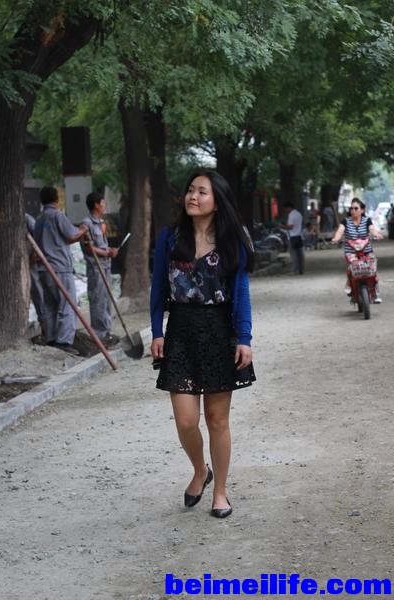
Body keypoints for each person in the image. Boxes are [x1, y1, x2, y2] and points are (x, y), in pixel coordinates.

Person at [150, 170, 256, 519]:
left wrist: (244, 338)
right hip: (180, 331)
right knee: (185, 420)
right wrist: (157, 332)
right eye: (190, 190)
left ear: (217, 201)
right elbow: (158, 289)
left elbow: (241, 291)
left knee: (216, 419)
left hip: (219, 331)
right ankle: (200, 470)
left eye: (202, 192)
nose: (193, 196)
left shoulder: (232, 240)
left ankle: (220, 492)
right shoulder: (170, 238)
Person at [34, 186, 88, 354]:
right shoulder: (58, 216)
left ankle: (51, 338)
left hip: (44, 269)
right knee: (68, 305)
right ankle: (64, 341)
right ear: (57, 199)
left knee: (50, 305)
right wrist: (83, 230)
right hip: (60, 268)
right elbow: (71, 235)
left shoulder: (39, 219)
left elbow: (61, 239)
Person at [81, 192, 119, 347]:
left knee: (106, 299)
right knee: (98, 299)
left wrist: (110, 250)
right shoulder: (86, 224)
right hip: (96, 269)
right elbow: (89, 248)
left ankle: (106, 332)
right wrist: (106, 253)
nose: (104, 205)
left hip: (106, 266)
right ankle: (99, 335)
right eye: (103, 203)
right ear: (96, 205)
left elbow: (102, 246)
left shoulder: (101, 222)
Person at [331, 198, 383, 302]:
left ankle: (375, 293)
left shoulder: (367, 220)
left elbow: (372, 229)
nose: (353, 211)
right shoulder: (345, 221)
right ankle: (350, 285)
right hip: (351, 252)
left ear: (362, 210)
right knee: (352, 268)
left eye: (356, 208)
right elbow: (340, 231)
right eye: (351, 208)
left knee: (372, 268)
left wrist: (377, 234)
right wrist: (336, 238)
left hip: (367, 251)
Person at [25, 213, 45, 334]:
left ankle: (44, 323)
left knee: (37, 291)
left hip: (30, 262)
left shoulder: (25, 218)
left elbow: (40, 235)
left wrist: (35, 252)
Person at [282, 202, 304, 274]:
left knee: (294, 254)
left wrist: (283, 226)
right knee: (300, 254)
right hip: (299, 235)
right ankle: (301, 269)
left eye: (286, 209)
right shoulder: (299, 214)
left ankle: (295, 270)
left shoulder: (291, 215)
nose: (285, 211)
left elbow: (290, 226)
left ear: (289, 208)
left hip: (292, 236)